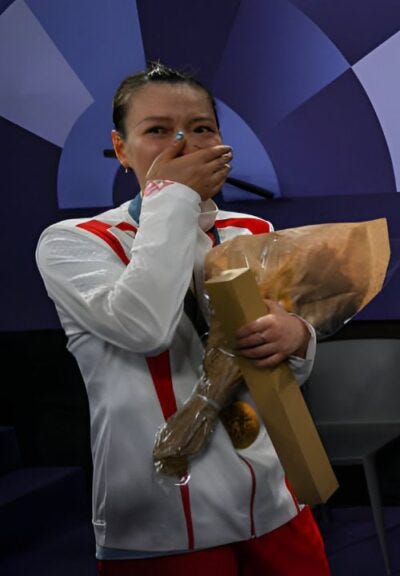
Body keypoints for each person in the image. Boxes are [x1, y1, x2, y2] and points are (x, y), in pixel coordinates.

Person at [35, 63, 329, 574]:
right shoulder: (73, 242)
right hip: (162, 524)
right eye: (156, 131)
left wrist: (297, 338)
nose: (183, 145)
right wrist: (170, 194)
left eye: (200, 129)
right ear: (121, 149)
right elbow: (143, 328)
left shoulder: (252, 229)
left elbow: (284, 372)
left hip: (275, 504)